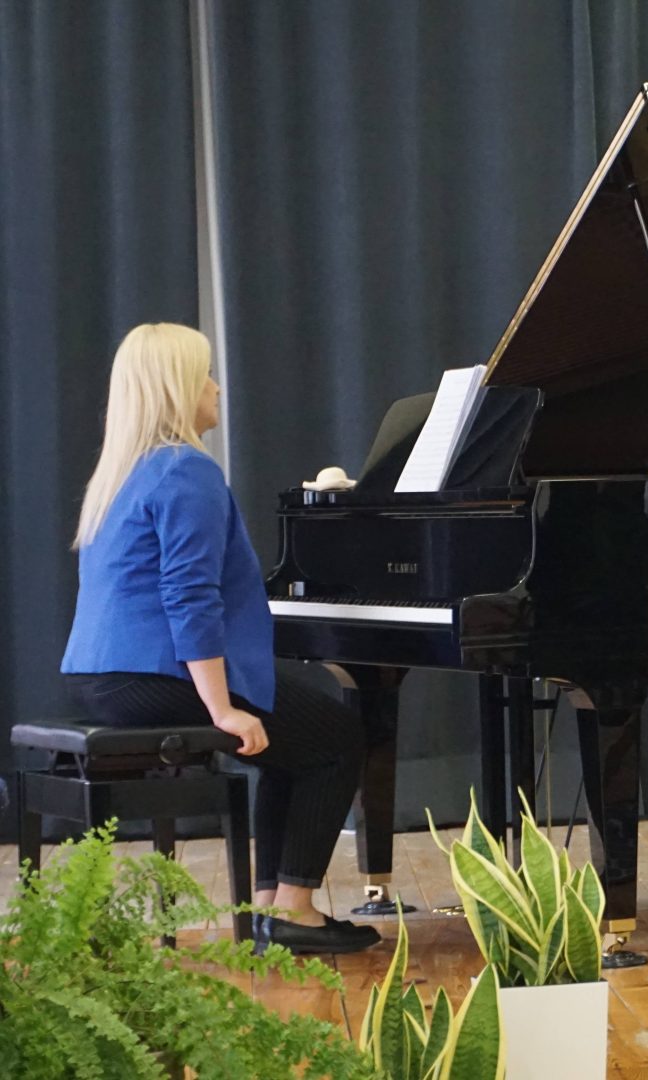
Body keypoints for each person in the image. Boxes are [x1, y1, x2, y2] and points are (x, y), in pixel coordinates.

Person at [60, 323, 378, 955]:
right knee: (339, 738)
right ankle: (293, 911)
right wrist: (222, 707)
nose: (216, 387)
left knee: (293, 738)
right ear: (178, 387)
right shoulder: (186, 470)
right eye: (205, 375)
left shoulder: (122, 472)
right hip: (153, 675)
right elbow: (189, 598)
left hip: (101, 676)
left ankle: (270, 908)